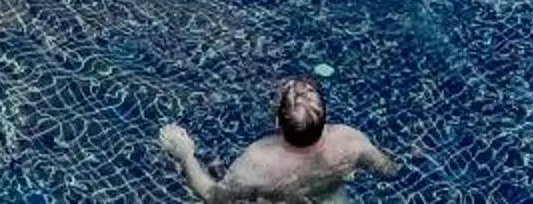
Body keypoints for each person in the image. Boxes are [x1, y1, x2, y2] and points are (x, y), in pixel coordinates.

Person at [158, 77, 396, 202]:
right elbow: (388, 170)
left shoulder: (258, 160)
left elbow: (212, 197)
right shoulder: (351, 140)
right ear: (325, 117)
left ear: (276, 122)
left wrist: (185, 155)